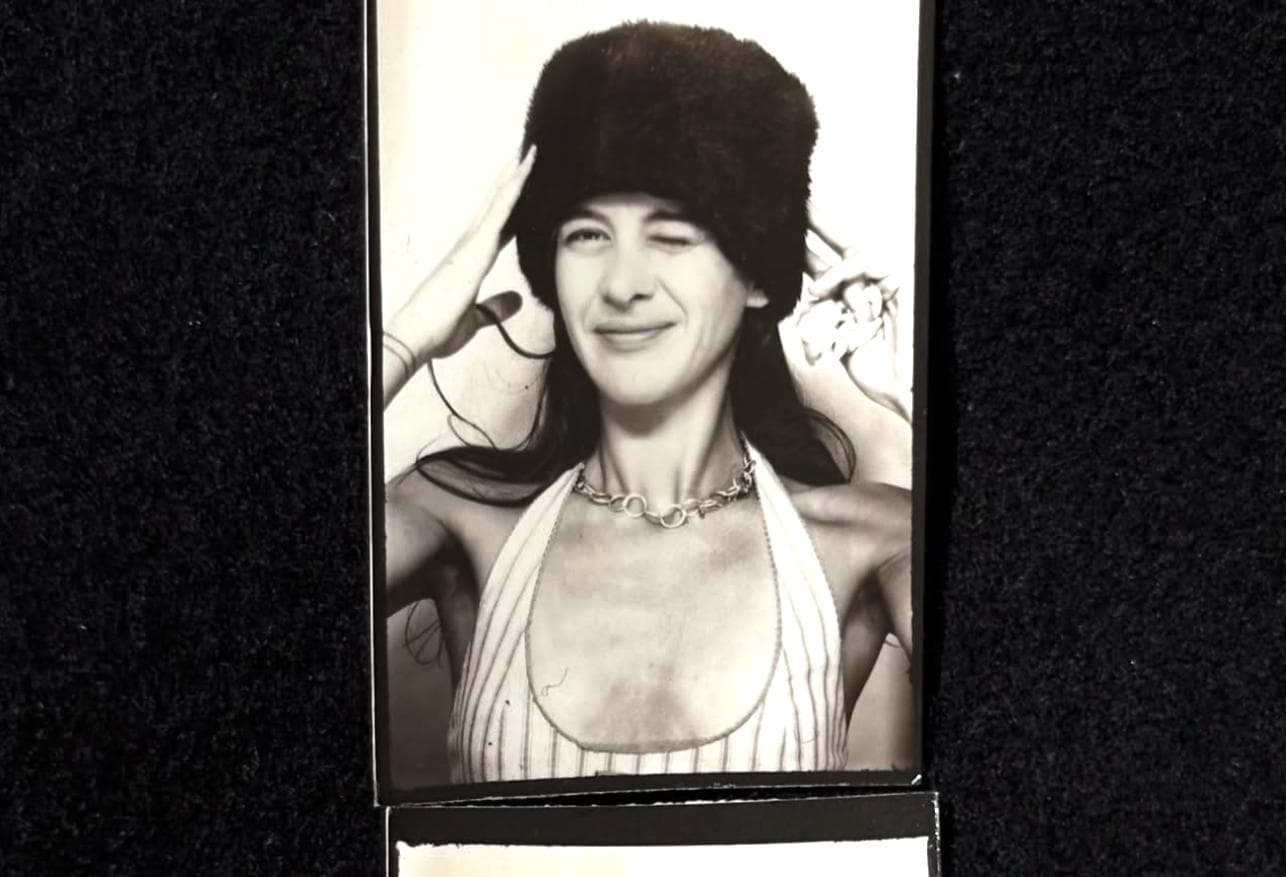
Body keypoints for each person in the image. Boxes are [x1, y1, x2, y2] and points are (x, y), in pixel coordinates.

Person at [380, 21, 912, 783]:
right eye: (586, 235)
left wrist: (921, 393)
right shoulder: (461, 517)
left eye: (672, 236)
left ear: (758, 276)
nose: (622, 284)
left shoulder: (871, 538)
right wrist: (398, 343)